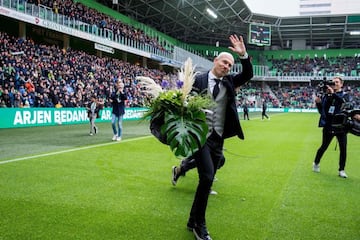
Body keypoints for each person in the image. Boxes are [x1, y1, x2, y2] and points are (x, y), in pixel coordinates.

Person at [184, 34, 253, 240]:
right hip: (200, 136)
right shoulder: (197, 79)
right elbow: (184, 100)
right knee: (206, 177)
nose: (227, 67)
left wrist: (243, 55)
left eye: (230, 65)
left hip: (218, 138)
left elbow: (248, 73)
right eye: (225, 62)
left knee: (207, 180)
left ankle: (191, 219)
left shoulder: (230, 81)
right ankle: (199, 225)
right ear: (215, 61)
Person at [312, 76, 350, 178]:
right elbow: (322, 111)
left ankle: (341, 170)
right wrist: (318, 103)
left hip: (341, 125)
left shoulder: (345, 95)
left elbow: (344, 103)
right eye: (333, 82)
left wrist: (333, 94)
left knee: (343, 149)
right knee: (324, 146)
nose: (335, 84)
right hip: (329, 124)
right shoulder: (327, 95)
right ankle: (316, 162)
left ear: (341, 84)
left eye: (337, 82)